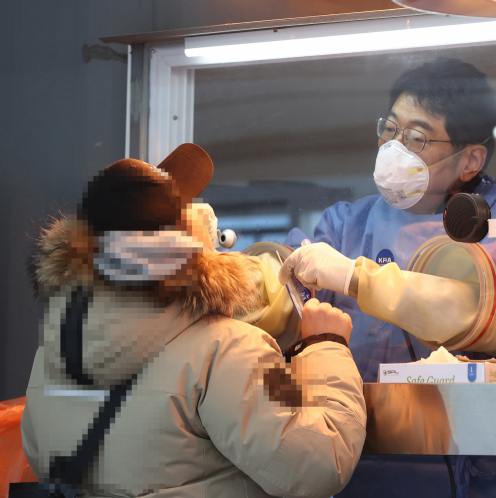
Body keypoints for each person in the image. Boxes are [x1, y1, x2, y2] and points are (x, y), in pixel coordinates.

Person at [278, 58, 496, 497]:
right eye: (389, 129)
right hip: (362, 458)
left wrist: (356, 278)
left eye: (415, 137)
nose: (394, 147)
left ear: (470, 158)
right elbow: (283, 305)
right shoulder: (345, 224)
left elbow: (487, 311)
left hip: (480, 467)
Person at [20, 144, 367, 498]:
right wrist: (326, 346)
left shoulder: (55, 351)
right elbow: (316, 463)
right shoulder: (228, 350)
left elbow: (41, 459)